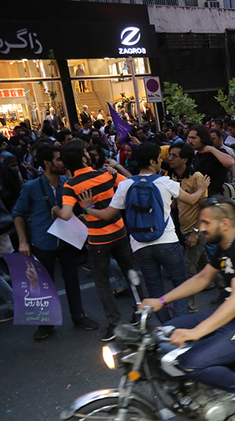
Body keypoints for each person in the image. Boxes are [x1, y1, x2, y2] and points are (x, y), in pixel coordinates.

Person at [139, 196, 235, 421]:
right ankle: (198, 389)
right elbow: (203, 278)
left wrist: (195, 333)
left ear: (224, 223)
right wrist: (161, 300)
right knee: (165, 331)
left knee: (191, 362)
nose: (200, 228)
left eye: (205, 223)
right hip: (231, 318)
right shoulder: (225, 247)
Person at [82, 143, 210, 325]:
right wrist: (202, 187)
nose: (161, 161)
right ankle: (177, 325)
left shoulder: (126, 185)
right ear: (152, 161)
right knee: (181, 284)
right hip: (167, 242)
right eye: (159, 158)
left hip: (139, 245)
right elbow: (192, 200)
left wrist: (87, 208)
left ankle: (165, 326)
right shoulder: (165, 182)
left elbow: (107, 215)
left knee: (154, 290)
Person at [12, 144, 98, 340]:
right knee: (43, 284)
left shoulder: (69, 183)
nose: (63, 162)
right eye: (59, 159)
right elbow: (18, 214)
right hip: (43, 242)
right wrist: (23, 242)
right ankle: (45, 323)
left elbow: (87, 206)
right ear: (46, 163)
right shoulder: (31, 187)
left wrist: (86, 213)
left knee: (72, 279)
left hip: (68, 240)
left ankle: (79, 316)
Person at [54, 141, 138, 342]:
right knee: (130, 272)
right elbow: (130, 182)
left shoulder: (71, 185)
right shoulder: (106, 174)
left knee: (101, 281)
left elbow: (65, 214)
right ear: (84, 157)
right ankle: (141, 309)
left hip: (98, 239)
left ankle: (114, 322)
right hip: (119, 231)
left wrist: (54, 210)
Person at [167, 142, 209, 313]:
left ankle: (190, 308)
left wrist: (196, 232)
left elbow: (204, 207)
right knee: (206, 264)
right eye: (169, 155)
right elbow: (175, 207)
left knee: (188, 269)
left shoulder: (196, 177)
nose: (169, 158)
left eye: (174, 156)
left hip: (196, 230)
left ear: (185, 159)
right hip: (183, 229)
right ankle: (227, 288)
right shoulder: (174, 177)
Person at [188, 125, 234, 196]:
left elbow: (230, 163)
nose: (190, 141)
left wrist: (211, 149)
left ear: (203, 138)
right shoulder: (196, 155)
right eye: (189, 138)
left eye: (194, 138)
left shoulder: (215, 152)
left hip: (214, 197)